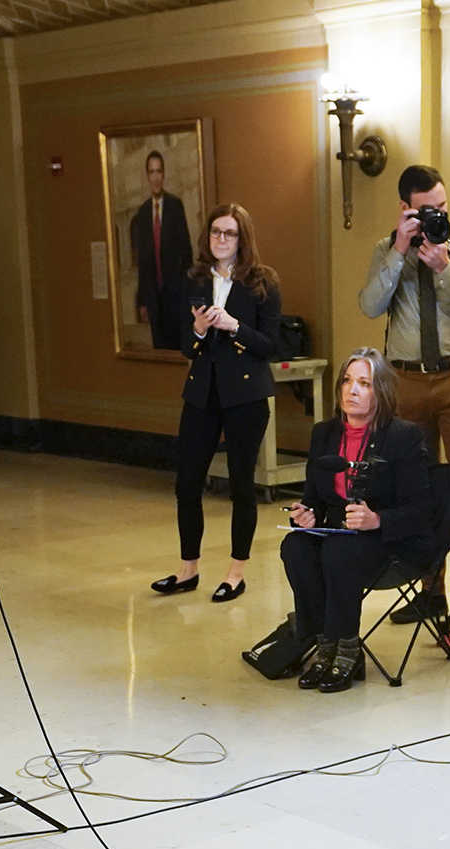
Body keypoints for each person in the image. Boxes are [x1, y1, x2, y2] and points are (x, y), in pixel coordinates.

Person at [357, 164, 450, 632]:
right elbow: (369, 306)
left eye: (442, 207)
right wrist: (399, 251)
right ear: (405, 209)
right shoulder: (387, 249)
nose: (437, 217)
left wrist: (446, 269)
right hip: (405, 382)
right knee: (418, 491)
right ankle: (430, 592)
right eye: (427, 211)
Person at [280, 348, 434, 693]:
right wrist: (304, 515)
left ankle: (347, 648)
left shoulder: (403, 436)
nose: (352, 390)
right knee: (295, 547)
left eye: (364, 383)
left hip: (391, 539)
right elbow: (314, 499)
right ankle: (324, 645)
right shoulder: (324, 434)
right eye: (347, 381)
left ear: (381, 392)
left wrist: (376, 519)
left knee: (339, 552)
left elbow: (422, 510)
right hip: (339, 532)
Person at [151, 204, 282, 603]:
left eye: (229, 233)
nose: (220, 240)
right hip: (202, 391)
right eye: (215, 233)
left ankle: (236, 572)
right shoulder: (193, 280)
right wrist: (199, 329)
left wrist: (234, 326)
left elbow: (271, 345)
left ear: (243, 239)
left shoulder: (263, 282)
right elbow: (186, 346)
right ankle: (187, 568)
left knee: (242, 484)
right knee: (187, 482)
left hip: (246, 394)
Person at [130, 150, 194, 351]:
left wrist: (186, 292)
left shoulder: (175, 206)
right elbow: (143, 262)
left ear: (164, 174)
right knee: (159, 350)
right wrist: (142, 301)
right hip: (153, 299)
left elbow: (186, 253)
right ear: (147, 176)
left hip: (175, 297)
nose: (156, 177)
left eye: (159, 172)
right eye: (151, 172)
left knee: (177, 350)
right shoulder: (143, 213)